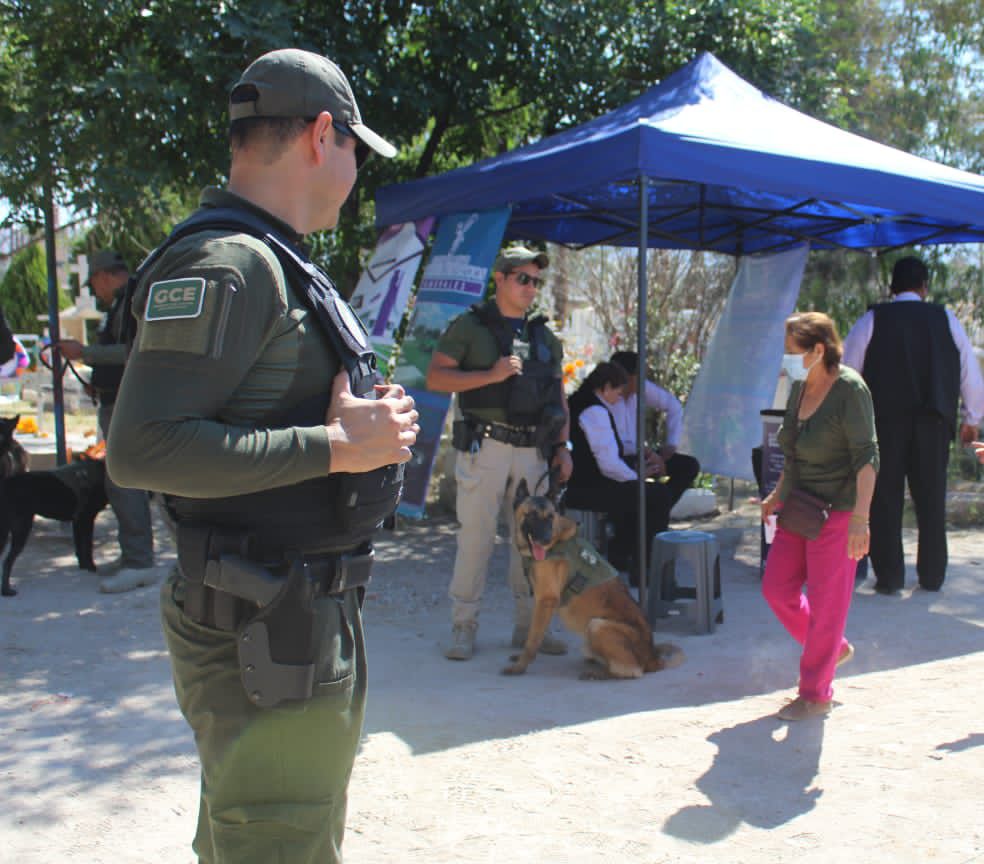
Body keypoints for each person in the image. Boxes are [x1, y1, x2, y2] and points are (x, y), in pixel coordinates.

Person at [105, 48, 416, 863]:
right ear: (323, 135)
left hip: (295, 614)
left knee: (272, 838)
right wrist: (339, 446)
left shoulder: (275, 257)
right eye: (355, 148)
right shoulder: (231, 262)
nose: (354, 171)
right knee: (276, 845)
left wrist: (363, 429)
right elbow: (143, 449)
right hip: (262, 624)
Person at [426, 245, 573, 661]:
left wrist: (564, 447)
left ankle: (531, 629)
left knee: (533, 544)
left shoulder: (544, 336)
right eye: (523, 279)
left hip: (534, 452)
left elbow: (560, 397)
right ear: (501, 279)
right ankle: (463, 626)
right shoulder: (469, 327)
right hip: (486, 445)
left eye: (536, 282)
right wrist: (489, 375)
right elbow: (436, 377)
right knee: (475, 539)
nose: (531, 288)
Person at [842, 256, 984, 594]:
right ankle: (932, 576)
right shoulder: (945, 319)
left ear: (891, 288)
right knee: (932, 499)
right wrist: (972, 420)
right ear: (924, 287)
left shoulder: (871, 320)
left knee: (884, 500)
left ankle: (889, 578)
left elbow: (848, 376)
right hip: (933, 424)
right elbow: (970, 375)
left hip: (885, 425)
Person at [761, 312, 878, 721]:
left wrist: (861, 520)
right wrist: (777, 494)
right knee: (777, 588)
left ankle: (815, 693)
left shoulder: (850, 389)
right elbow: (792, 452)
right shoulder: (798, 388)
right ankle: (833, 649)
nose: (786, 358)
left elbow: (867, 457)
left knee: (829, 604)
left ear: (818, 349)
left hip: (841, 509)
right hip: (801, 505)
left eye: (792, 351)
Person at [57, 250, 156, 593]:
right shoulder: (120, 304)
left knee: (125, 480)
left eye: (95, 283)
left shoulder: (134, 301)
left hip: (128, 404)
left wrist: (84, 353)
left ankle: (140, 560)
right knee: (118, 481)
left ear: (103, 276)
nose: (96, 291)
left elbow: (136, 351)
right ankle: (133, 554)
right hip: (115, 400)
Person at [605, 350, 700, 573]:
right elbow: (607, 447)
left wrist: (669, 447)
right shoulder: (605, 397)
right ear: (626, 377)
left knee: (688, 466)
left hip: (638, 454)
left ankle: (636, 533)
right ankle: (638, 552)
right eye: (638, 376)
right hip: (613, 459)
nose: (641, 381)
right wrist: (646, 458)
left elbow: (673, 406)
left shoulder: (639, 389)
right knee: (654, 496)